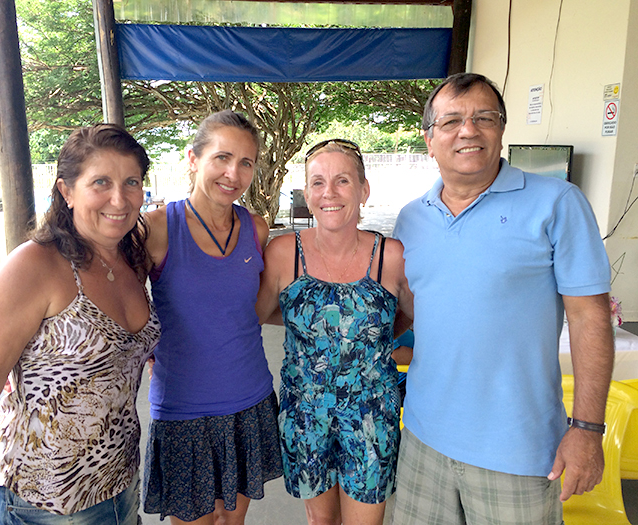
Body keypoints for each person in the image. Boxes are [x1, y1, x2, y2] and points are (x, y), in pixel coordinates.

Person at [390, 72, 614, 524]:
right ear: (429, 140)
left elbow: (590, 318)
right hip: (422, 439)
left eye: (484, 118)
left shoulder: (558, 203)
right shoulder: (411, 219)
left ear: (501, 129)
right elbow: (412, 312)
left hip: (518, 451)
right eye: (451, 121)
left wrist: (587, 429)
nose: (468, 131)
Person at [0, 124, 161, 525]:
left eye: (131, 182)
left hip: (118, 485)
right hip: (42, 502)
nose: (119, 198)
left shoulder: (129, 257)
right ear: (67, 191)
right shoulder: (33, 267)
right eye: (101, 182)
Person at [256, 138, 413, 525]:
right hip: (305, 414)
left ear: (363, 190)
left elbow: (407, 317)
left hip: (371, 416)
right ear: (307, 194)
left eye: (342, 180)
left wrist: (367, 338)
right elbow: (255, 316)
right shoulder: (283, 253)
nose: (329, 192)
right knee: (320, 522)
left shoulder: (392, 256)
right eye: (318, 182)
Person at [143, 110, 283, 525]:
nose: (233, 174)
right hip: (183, 409)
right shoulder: (156, 228)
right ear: (193, 158)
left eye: (246, 162)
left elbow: (255, 309)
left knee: (231, 522)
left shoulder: (256, 228)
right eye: (222, 157)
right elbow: (118, 302)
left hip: (249, 400)